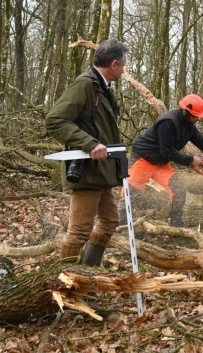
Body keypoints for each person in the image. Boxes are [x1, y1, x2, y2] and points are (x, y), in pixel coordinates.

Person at [45, 38, 130, 265]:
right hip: (86, 171)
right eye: (123, 66)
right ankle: (66, 285)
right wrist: (90, 144)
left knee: (110, 221)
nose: (124, 71)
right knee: (79, 232)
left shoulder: (102, 88)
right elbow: (54, 120)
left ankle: (87, 273)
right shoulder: (85, 85)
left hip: (101, 171)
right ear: (114, 64)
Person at [127, 94, 203, 226]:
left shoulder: (189, 125)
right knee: (131, 196)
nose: (197, 118)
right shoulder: (168, 122)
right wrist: (190, 159)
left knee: (178, 188)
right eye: (195, 116)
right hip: (143, 159)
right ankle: (119, 228)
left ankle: (176, 225)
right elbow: (167, 151)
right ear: (186, 111)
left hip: (160, 163)